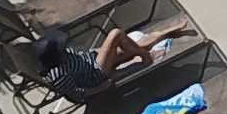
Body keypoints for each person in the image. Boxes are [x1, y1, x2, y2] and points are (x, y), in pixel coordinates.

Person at [35, 19, 200, 97]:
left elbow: (80, 56)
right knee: (116, 34)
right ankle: (146, 55)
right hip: (95, 74)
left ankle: (166, 34)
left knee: (135, 45)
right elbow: (76, 94)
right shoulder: (59, 76)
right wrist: (102, 87)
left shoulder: (62, 54)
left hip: (93, 59)